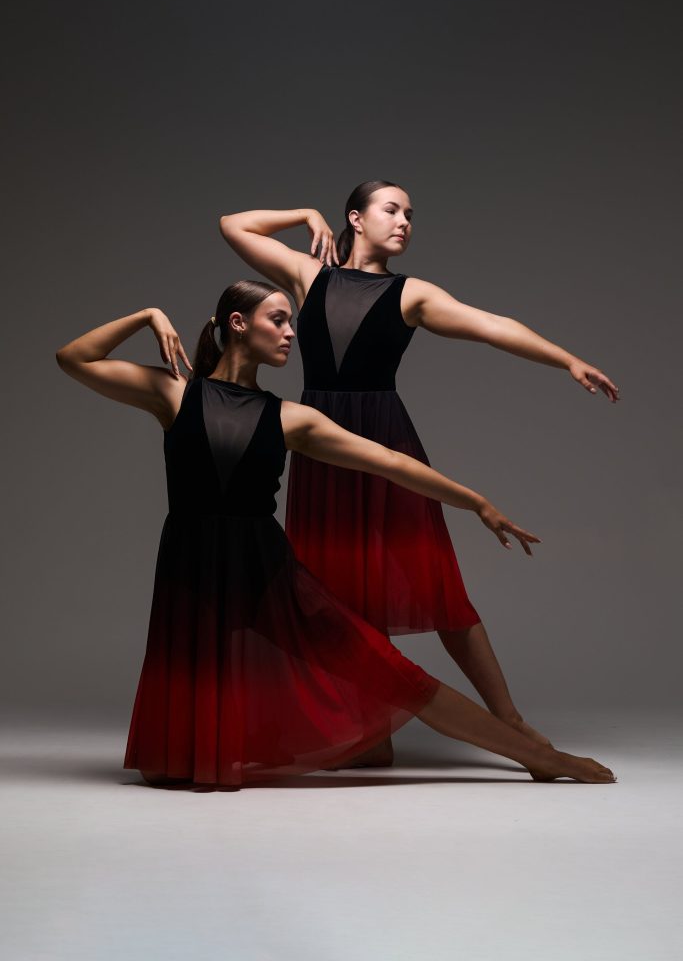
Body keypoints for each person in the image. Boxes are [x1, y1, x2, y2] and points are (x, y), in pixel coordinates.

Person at [55, 281, 615, 789]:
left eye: (291, 322)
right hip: (190, 567)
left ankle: (540, 758)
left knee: (397, 676)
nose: (292, 333)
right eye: (278, 320)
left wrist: (477, 503)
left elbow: (392, 463)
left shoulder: (292, 419)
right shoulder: (173, 394)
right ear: (237, 323)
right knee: (164, 770)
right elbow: (73, 357)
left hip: (263, 570)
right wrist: (149, 312)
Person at [219, 181, 620, 763]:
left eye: (410, 214)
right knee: (337, 589)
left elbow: (492, 324)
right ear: (355, 218)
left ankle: (511, 723)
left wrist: (566, 360)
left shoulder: (412, 294)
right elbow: (234, 223)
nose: (405, 221)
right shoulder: (309, 276)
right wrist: (305, 211)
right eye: (392, 210)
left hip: (384, 438)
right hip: (318, 442)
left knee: (437, 586)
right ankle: (370, 726)